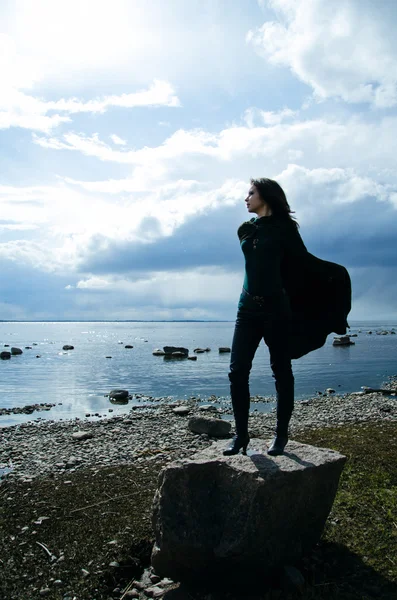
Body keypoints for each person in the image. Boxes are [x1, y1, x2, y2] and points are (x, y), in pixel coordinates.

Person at [223, 177, 311, 457]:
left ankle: (281, 434)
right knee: (237, 372)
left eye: (250, 193)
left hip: (276, 310)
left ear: (266, 196)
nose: (245, 198)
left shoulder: (286, 229)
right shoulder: (245, 229)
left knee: (281, 370)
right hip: (246, 309)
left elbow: (300, 267)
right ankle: (241, 435)